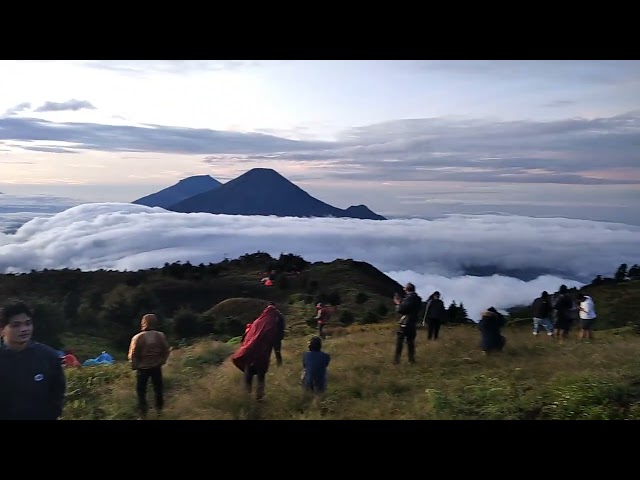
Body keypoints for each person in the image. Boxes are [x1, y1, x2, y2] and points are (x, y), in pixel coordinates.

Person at [0, 300, 66, 420]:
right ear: (2, 329)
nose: (24, 329)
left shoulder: (48, 356)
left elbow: (57, 394)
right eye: (16, 325)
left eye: (28, 323)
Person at [231, 303, 282, 400]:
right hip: (262, 356)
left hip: (250, 353)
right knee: (260, 377)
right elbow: (275, 341)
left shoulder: (256, 322)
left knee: (248, 374)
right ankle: (259, 398)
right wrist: (278, 356)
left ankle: (246, 398)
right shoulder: (272, 326)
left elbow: (245, 336)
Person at [128, 313, 171, 420]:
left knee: (141, 392)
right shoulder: (160, 335)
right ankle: (159, 412)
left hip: (142, 368)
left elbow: (132, 354)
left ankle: (143, 415)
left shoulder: (137, 337)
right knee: (158, 390)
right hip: (156, 367)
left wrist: (134, 366)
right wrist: (162, 361)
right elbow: (166, 350)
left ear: (143, 323)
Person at [393, 283, 423, 364]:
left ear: (407, 289)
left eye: (405, 288)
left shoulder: (409, 298)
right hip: (413, 322)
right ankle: (411, 360)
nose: (404, 289)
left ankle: (396, 360)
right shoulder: (418, 299)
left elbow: (402, 310)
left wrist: (398, 303)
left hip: (406, 322)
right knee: (410, 342)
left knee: (400, 342)